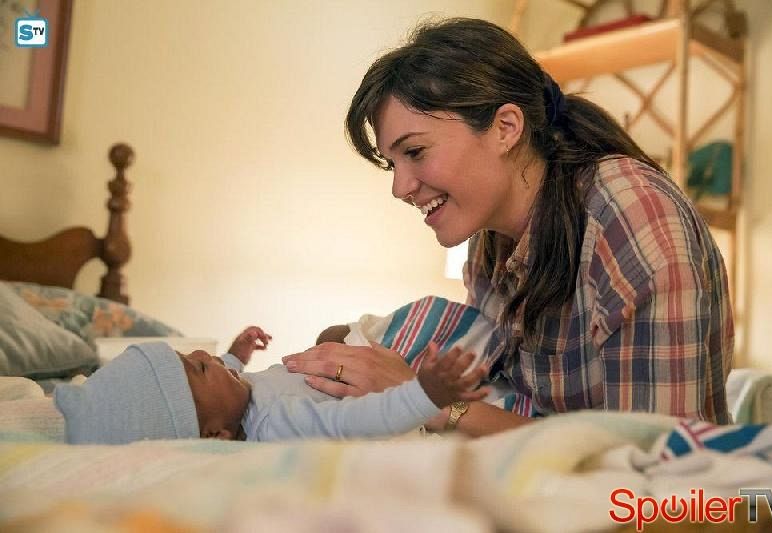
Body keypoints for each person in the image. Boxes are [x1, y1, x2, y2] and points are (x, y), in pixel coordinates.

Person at [282, 17, 734, 435]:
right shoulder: (489, 242)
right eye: (392, 164)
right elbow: (503, 399)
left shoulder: (630, 214)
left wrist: (423, 401)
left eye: (415, 152)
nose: (400, 188)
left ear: (506, 127)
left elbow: (653, 456)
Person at [53, 325, 488, 444]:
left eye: (189, 355)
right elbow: (358, 420)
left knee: (334, 334)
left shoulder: (231, 401)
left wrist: (234, 355)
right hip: (399, 413)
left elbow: (223, 377)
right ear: (217, 436)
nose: (202, 353)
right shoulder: (277, 422)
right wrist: (424, 395)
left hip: (365, 376)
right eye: (198, 368)